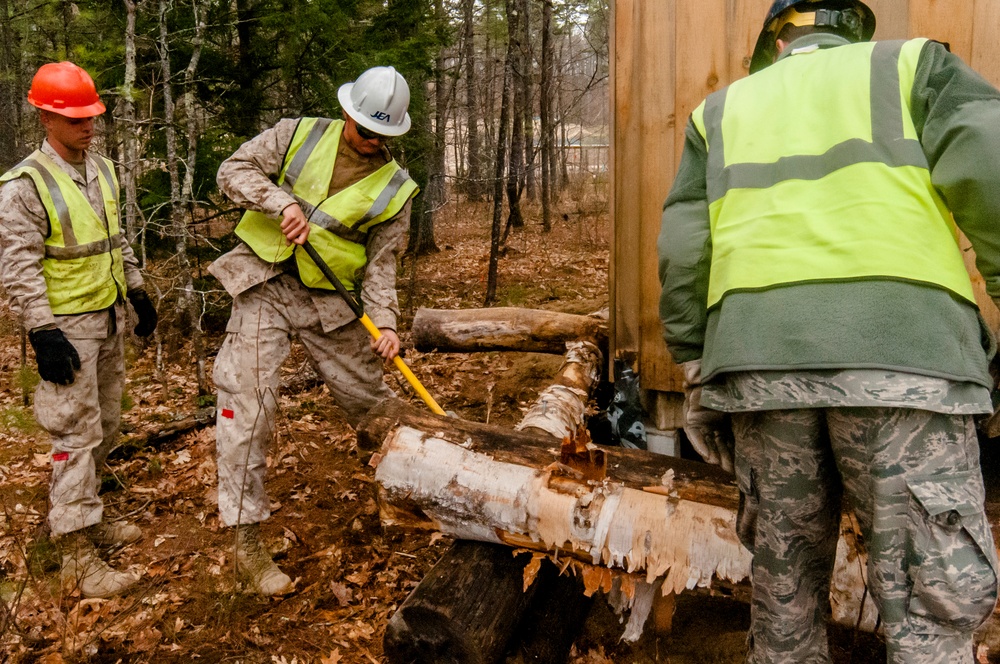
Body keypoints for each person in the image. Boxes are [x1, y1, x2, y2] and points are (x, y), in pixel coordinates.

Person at [657, 1, 1000, 661]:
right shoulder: (911, 66)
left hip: (759, 374)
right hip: (906, 363)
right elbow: (990, 163)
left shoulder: (722, 111)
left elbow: (682, 250)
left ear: (777, 41)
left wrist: (696, 363)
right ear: (855, 31)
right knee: (932, 607)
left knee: (784, 603)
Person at [211, 65, 418, 595]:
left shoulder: (396, 188)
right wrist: (278, 201)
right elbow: (231, 170)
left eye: (383, 135)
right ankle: (245, 540)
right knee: (248, 404)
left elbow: (381, 266)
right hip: (266, 282)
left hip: (334, 304)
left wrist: (388, 324)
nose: (372, 142)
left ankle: (421, 492)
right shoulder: (296, 133)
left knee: (373, 406)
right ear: (348, 112)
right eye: (365, 130)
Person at [0, 62, 158, 598]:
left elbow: (116, 239)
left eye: (92, 115)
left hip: (108, 314)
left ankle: (86, 518)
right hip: (66, 327)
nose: (89, 125)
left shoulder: (104, 169)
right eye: (75, 118)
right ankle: (74, 555)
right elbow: (18, 265)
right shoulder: (24, 186)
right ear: (45, 117)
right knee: (74, 432)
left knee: (107, 422)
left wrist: (136, 289)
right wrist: (41, 332)